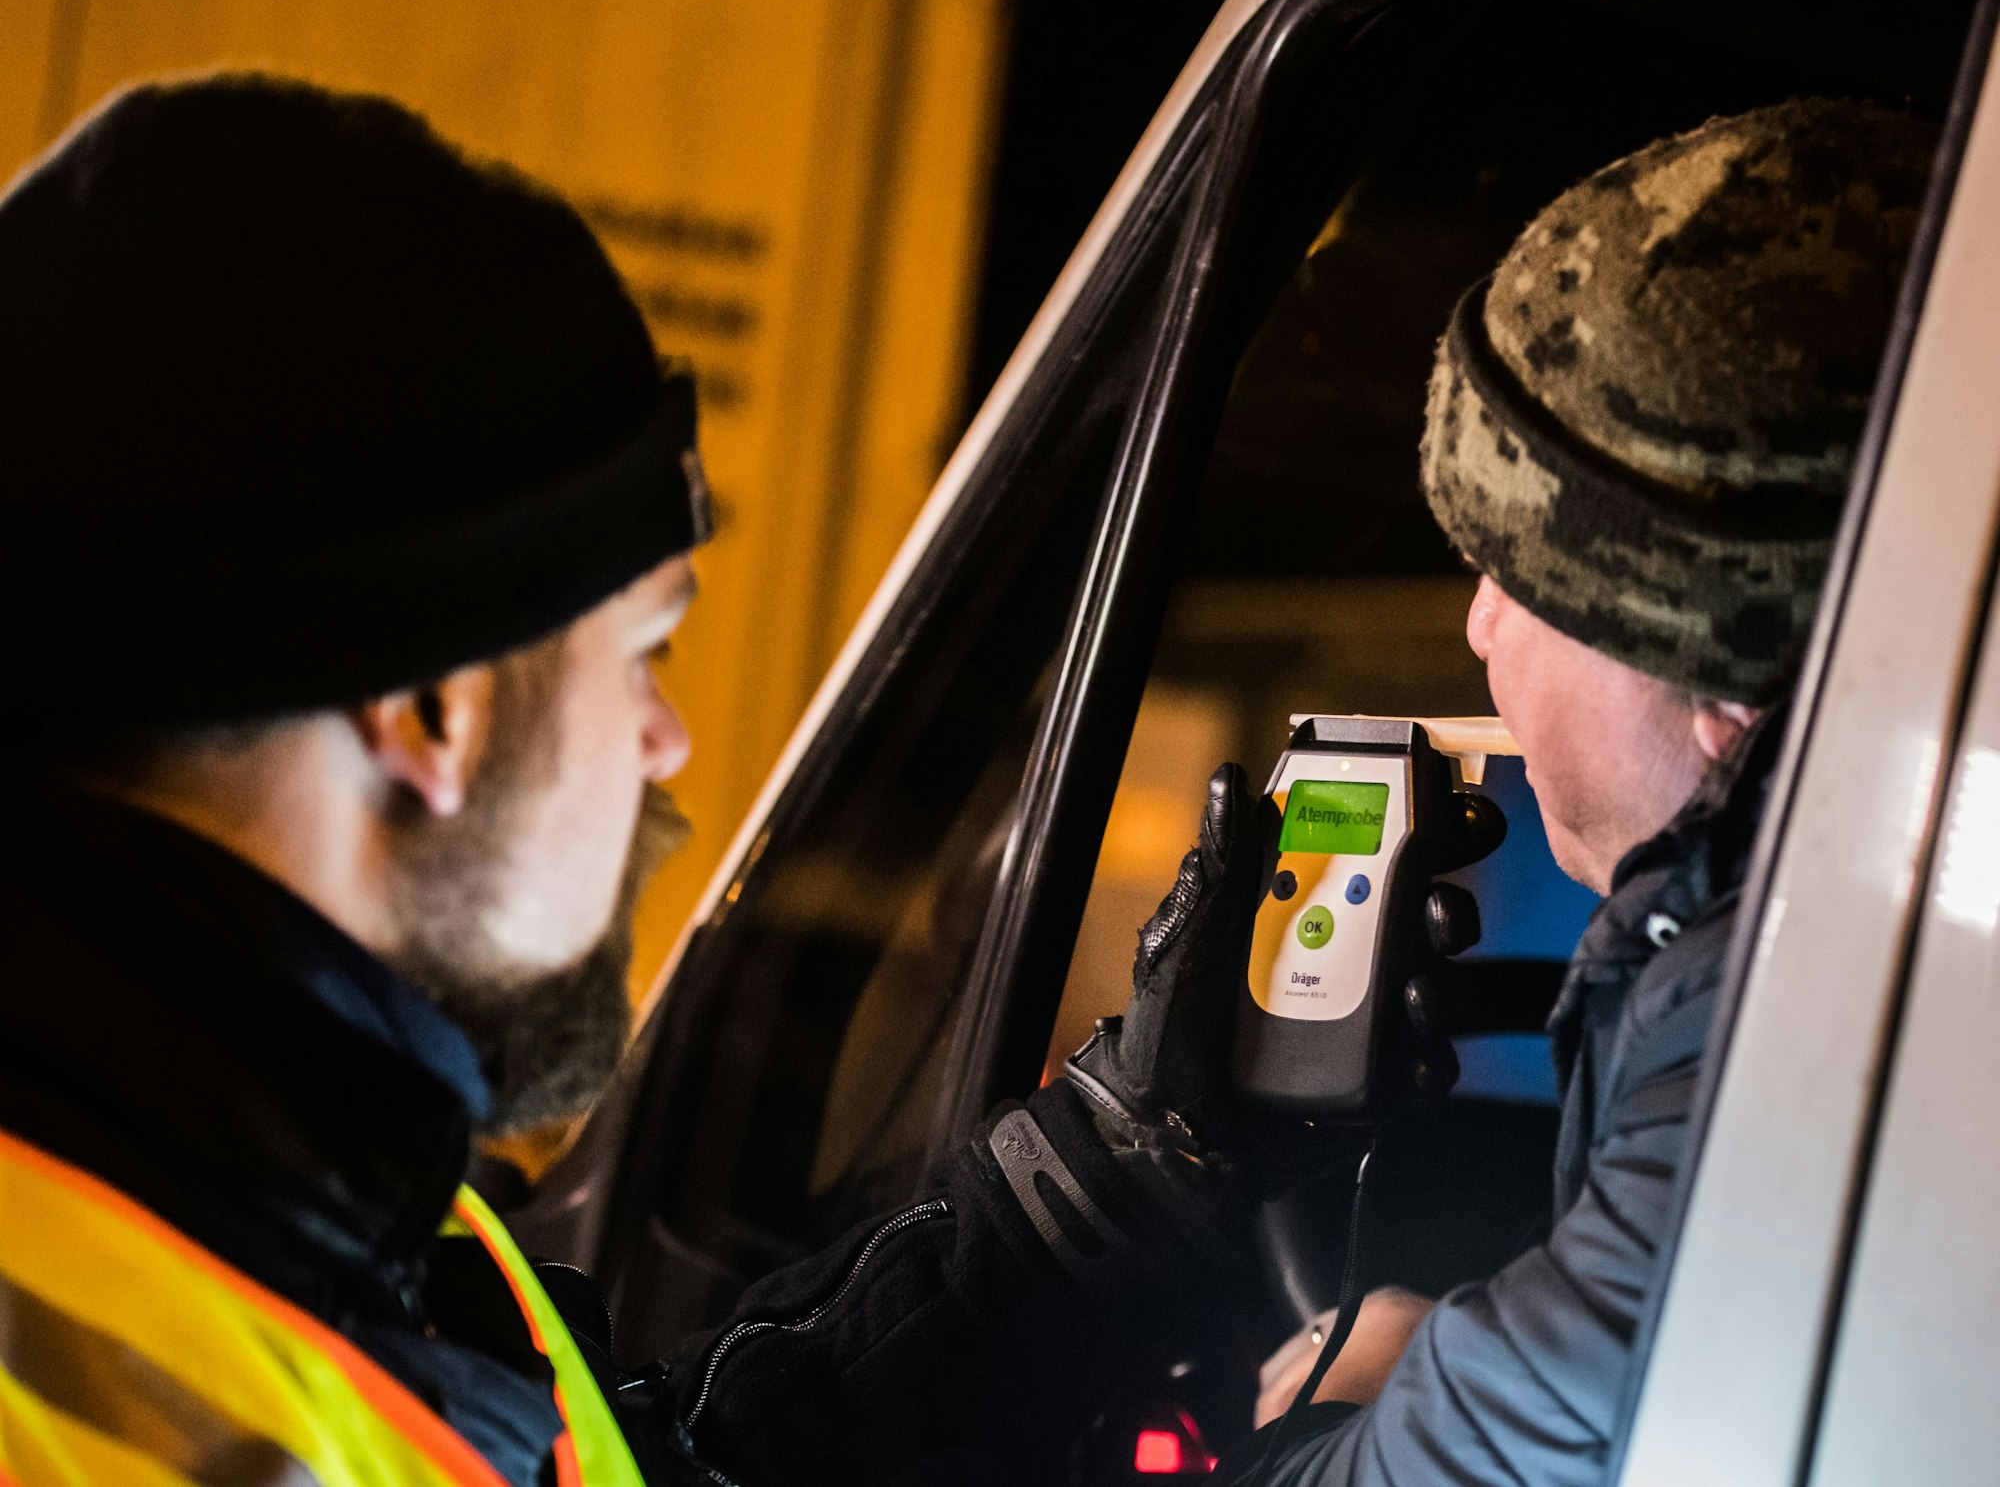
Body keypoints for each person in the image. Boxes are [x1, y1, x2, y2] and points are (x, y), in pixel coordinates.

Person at [0, 74, 1333, 1487]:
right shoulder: (121, 1398)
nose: (665, 743)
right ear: (433, 714)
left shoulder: (284, 1211)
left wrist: (1107, 1185)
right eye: (641, 655)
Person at [1234, 99, 1935, 1483]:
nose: (1482, 629)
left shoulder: (1782, 1038)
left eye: (1527, 580)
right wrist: (1456, 1350)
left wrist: (1340, 1413)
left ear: (1721, 679)